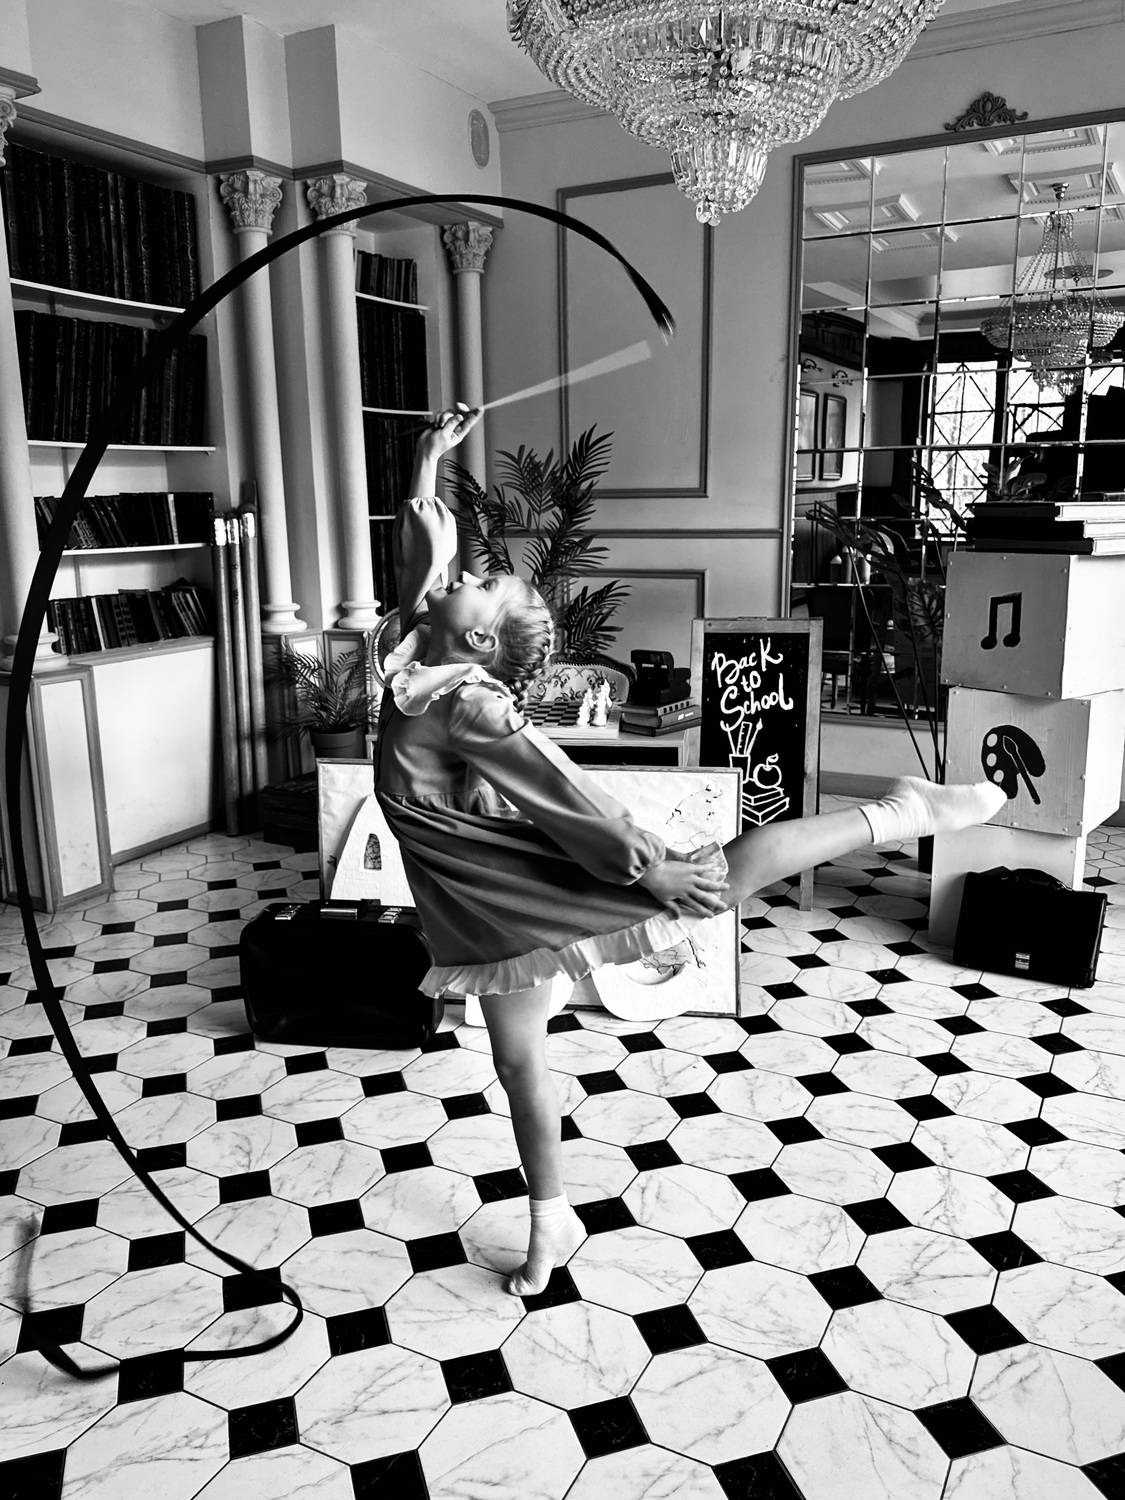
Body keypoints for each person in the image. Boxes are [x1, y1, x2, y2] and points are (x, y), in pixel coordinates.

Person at [375, 404, 1007, 1297]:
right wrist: (426, 459)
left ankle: (898, 811)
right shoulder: (421, 654)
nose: (461, 574)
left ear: (477, 639)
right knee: (516, 1063)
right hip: (474, 895)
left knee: (722, 873)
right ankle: (551, 1217)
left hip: (509, 878)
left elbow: (559, 791)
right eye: (470, 575)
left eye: (476, 584)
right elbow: (421, 568)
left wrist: (646, 865)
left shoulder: (466, 701)